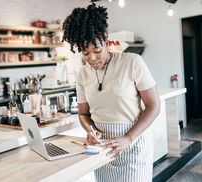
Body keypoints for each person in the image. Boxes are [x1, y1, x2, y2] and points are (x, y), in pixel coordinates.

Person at [62, 3, 160, 182]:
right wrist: (91, 131)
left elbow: (154, 106)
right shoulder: (83, 74)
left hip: (133, 145)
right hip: (103, 150)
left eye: (97, 50)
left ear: (106, 39)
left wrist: (129, 138)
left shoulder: (132, 62)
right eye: (85, 53)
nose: (92, 58)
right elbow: (84, 113)